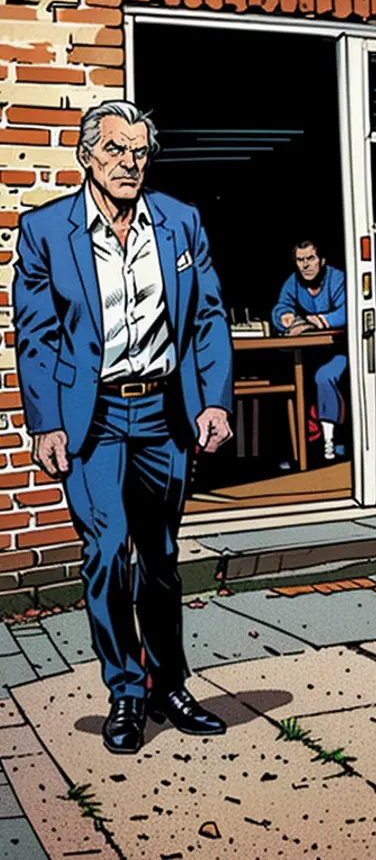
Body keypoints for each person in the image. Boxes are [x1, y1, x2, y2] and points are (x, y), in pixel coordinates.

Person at [13, 100, 234, 755]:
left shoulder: (180, 223)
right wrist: (46, 420)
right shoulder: (47, 230)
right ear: (86, 156)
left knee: (161, 559)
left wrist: (212, 401)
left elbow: (206, 319)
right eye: (114, 151)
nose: (129, 164)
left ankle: (170, 684)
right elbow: (37, 334)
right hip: (95, 417)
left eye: (139, 153)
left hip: (164, 413)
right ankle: (126, 691)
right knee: (108, 553)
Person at [270, 241, 347, 462]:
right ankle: (297, 449)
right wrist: (285, 318)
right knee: (287, 380)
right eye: (300, 260)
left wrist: (315, 322)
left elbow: (348, 310)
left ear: (321, 260)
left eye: (310, 259)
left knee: (324, 377)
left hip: (340, 349)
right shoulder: (294, 282)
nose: (305, 266)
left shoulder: (337, 279)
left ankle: (330, 445)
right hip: (309, 351)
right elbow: (281, 306)